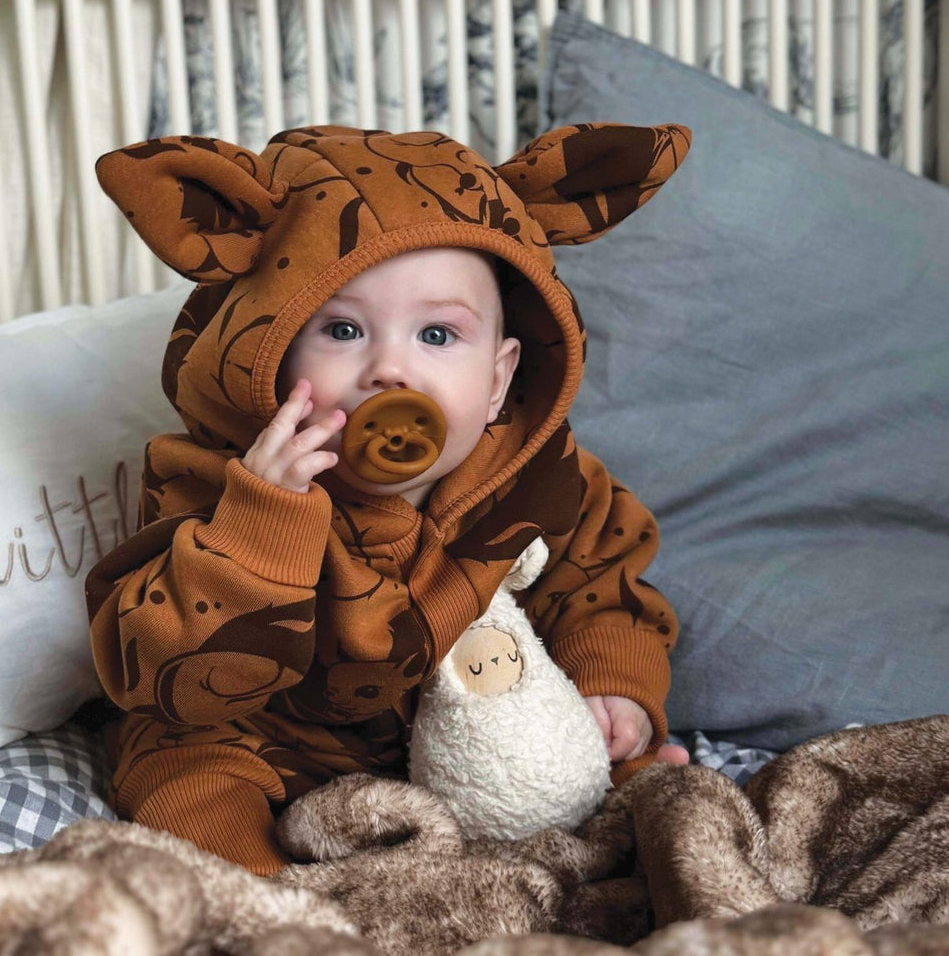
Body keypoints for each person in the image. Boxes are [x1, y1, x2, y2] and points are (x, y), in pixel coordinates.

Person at [86, 121, 691, 875]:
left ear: (500, 379)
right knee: (180, 770)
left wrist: (614, 687)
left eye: (438, 335)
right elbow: (158, 671)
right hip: (278, 739)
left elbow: (603, 589)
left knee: (625, 764)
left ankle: (634, 823)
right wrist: (259, 524)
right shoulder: (215, 481)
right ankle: (269, 906)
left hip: (478, 731)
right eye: (343, 329)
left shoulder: (541, 477)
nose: (391, 372)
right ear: (265, 353)